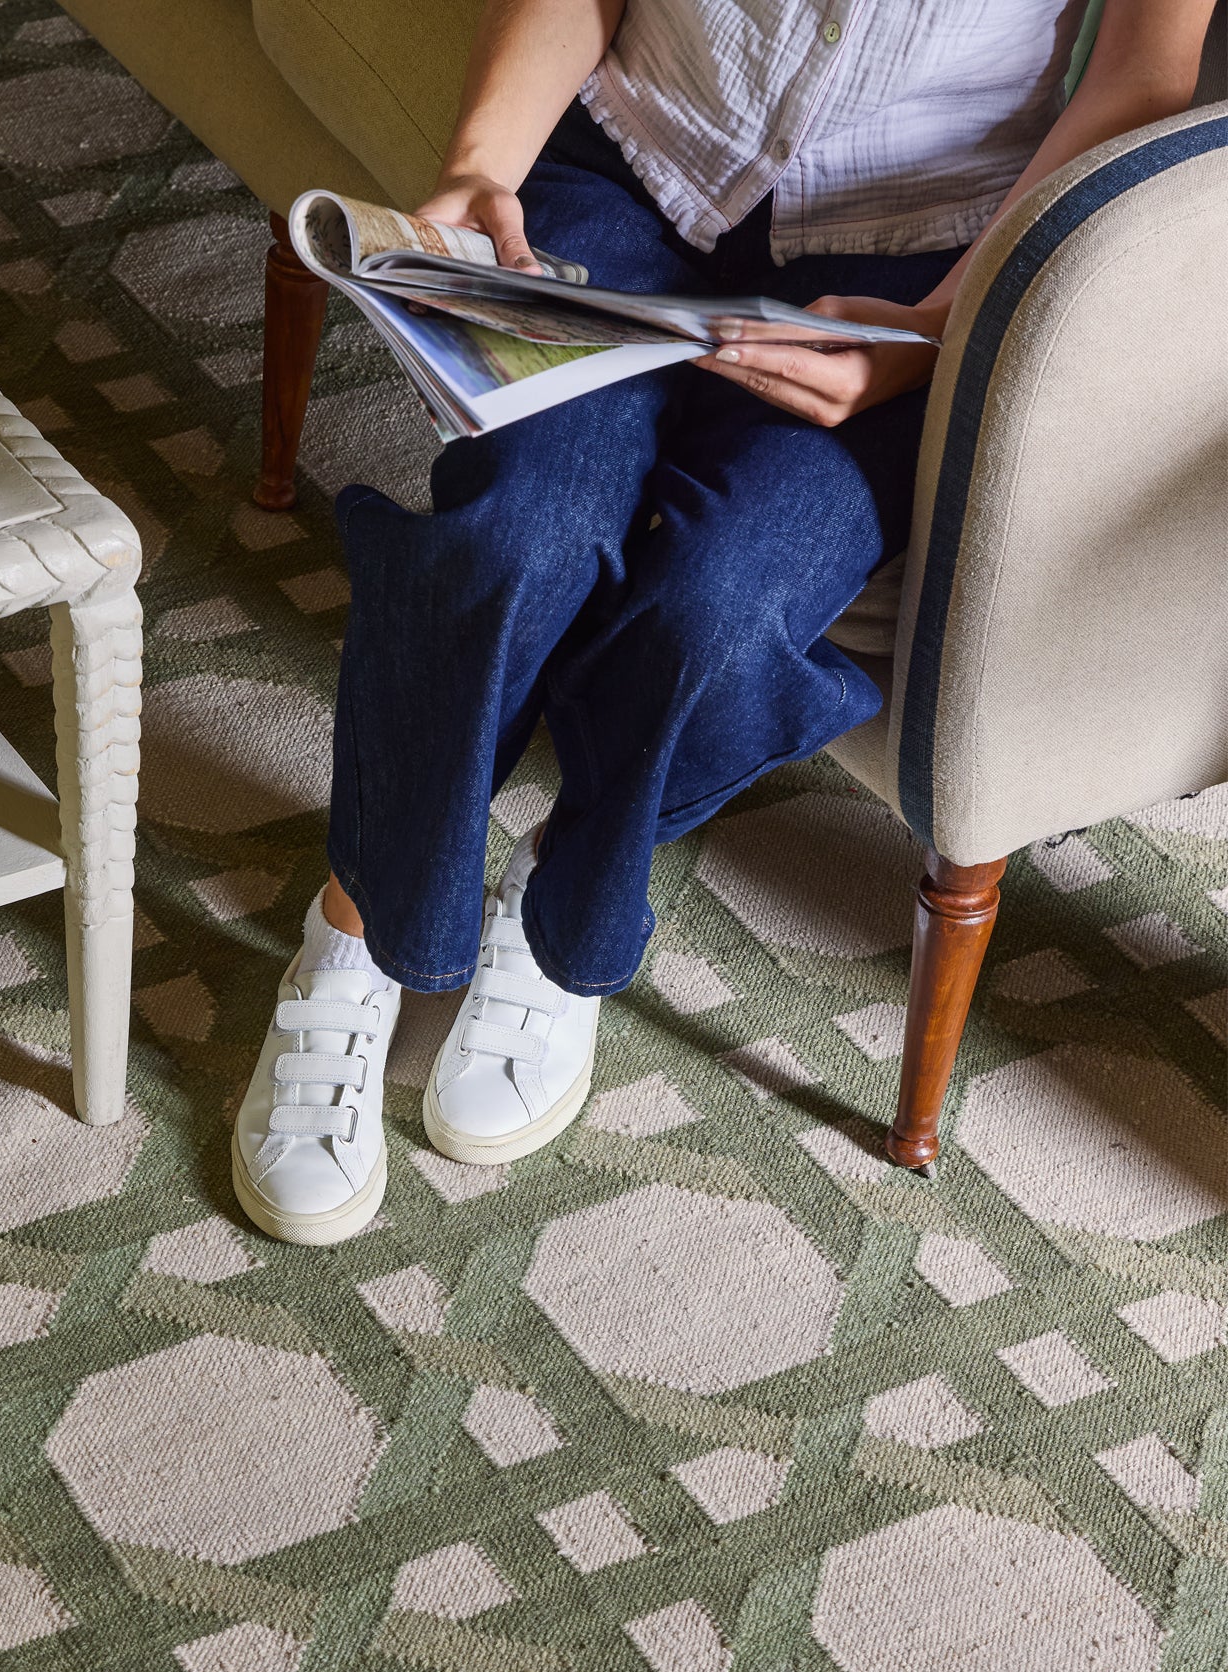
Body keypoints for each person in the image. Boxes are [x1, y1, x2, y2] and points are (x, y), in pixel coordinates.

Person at [231, 0, 1213, 1244]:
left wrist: (933, 328)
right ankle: (355, 926)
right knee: (510, 537)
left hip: (916, 260)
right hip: (628, 171)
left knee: (720, 611)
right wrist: (482, 165)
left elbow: (1140, 72)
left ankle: (560, 906)